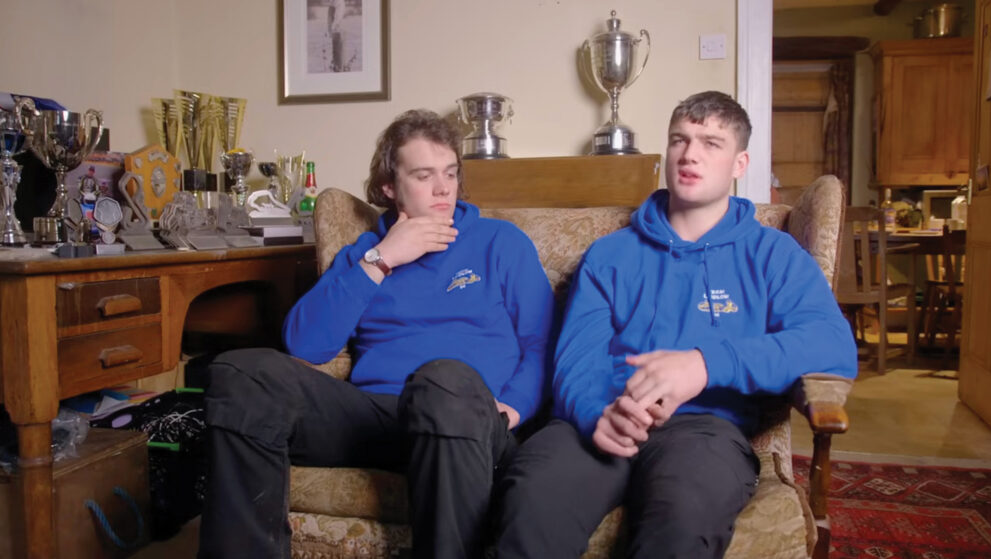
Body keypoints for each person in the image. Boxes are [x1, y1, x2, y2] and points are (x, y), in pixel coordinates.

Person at [494, 91, 858, 558]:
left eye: (710, 143)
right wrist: (595, 415)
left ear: (739, 163)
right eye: (679, 140)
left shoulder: (774, 254)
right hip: (601, 419)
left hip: (704, 431)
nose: (689, 154)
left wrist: (704, 365)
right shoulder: (611, 255)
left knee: (681, 519)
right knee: (532, 500)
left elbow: (832, 345)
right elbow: (574, 361)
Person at [197, 109, 555, 559]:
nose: (444, 188)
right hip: (380, 416)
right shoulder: (367, 254)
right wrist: (383, 259)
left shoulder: (500, 242)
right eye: (424, 175)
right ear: (390, 187)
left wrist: (515, 409)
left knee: (441, 379)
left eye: (450, 173)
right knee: (241, 373)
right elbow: (305, 345)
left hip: (465, 417)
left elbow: (542, 342)